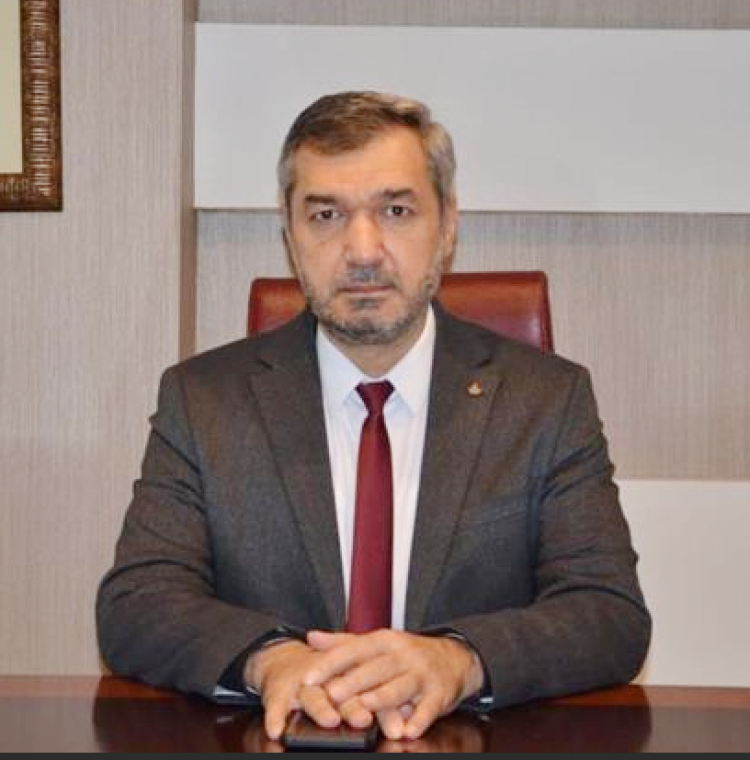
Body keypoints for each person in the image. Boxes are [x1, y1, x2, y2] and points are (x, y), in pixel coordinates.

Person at [96, 90, 651, 743]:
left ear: (447, 225)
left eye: (396, 210)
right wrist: (270, 661)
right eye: (326, 214)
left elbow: (608, 611)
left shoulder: (546, 401)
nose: (362, 250)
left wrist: (460, 659)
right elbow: (137, 602)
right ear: (290, 235)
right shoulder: (204, 400)